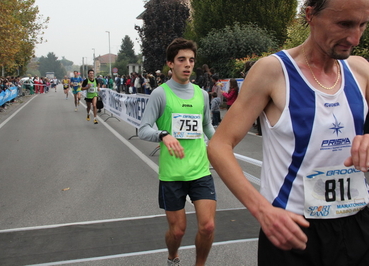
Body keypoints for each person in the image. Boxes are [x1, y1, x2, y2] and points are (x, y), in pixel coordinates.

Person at [208, 0, 369, 265]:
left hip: (357, 227)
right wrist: (262, 210)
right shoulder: (273, 71)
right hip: (293, 230)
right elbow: (219, 145)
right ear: (310, 16)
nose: (355, 37)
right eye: (344, 24)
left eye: (363, 24)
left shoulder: (361, 69)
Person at [139, 38, 216, 266]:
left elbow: (207, 126)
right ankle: (173, 256)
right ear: (170, 64)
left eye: (191, 60)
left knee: (208, 226)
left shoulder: (201, 95)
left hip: (200, 170)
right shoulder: (160, 94)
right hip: (172, 174)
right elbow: (144, 129)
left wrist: (223, 143)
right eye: (181, 59)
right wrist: (163, 134)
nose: (187, 64)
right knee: (178, 231)